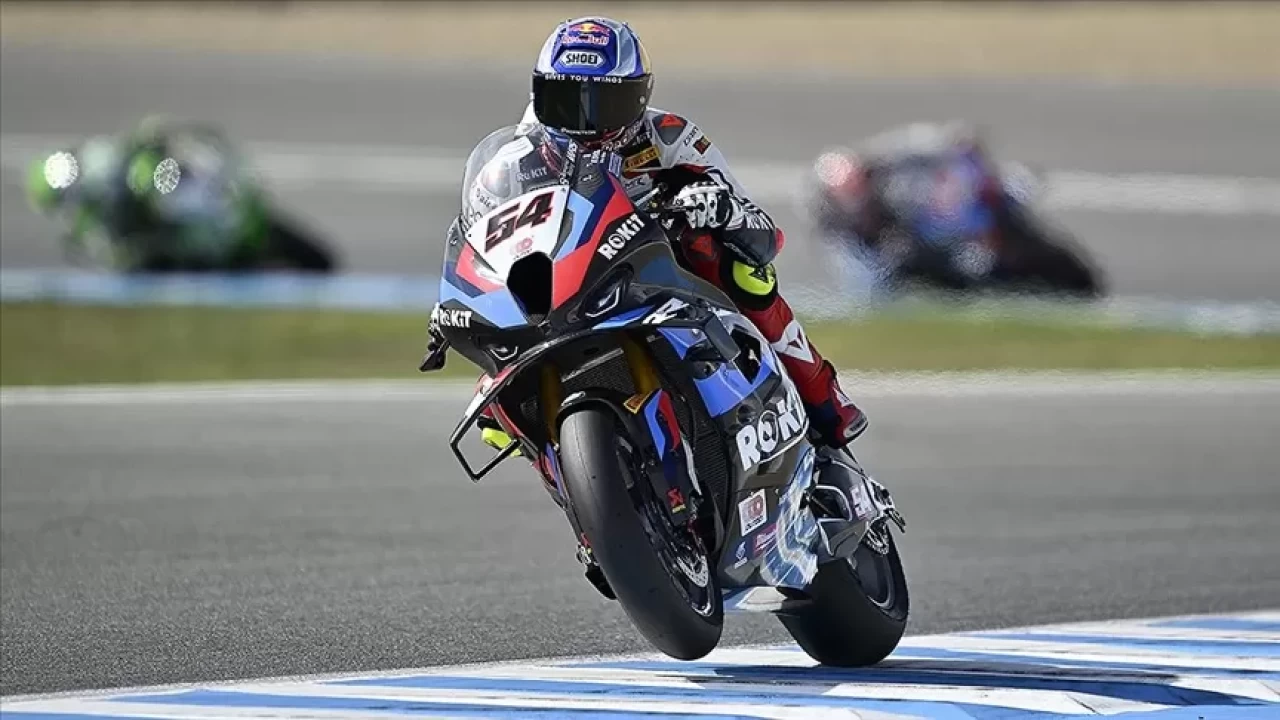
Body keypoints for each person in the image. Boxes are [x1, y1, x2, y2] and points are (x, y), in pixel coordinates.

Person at [425, 16, 867, 453]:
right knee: (494, 406)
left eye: (605, 103)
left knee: (747, 273)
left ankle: (822, 396)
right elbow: (481, 239)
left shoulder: (671, 137)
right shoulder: (515, 157)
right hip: (567, 279)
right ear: (538, 96)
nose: (584, 123)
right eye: (565, 100)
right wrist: (461, 300)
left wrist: (720, 208)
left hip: (654, 267)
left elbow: (764, 236)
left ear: (639, 97)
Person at [25, 116, 297, 272]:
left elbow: (130, 144)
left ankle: (225, 197)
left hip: (158, 190)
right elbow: (114, 256)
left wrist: (147, 137)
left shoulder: (95, 154)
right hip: (154, 235)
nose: (70, 180)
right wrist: (130, 249)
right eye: (63, 189)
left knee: (186, 164)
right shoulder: (86, 226)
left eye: (63, 168)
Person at [803, 121, 1044, 295]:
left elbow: (924, 144)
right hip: (907, 254)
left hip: (940, 231)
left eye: (858, 180)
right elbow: (861, 272)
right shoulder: (837, 222)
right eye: (849, 186)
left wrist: (951, 145)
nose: (857, 187)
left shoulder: (888, 168)